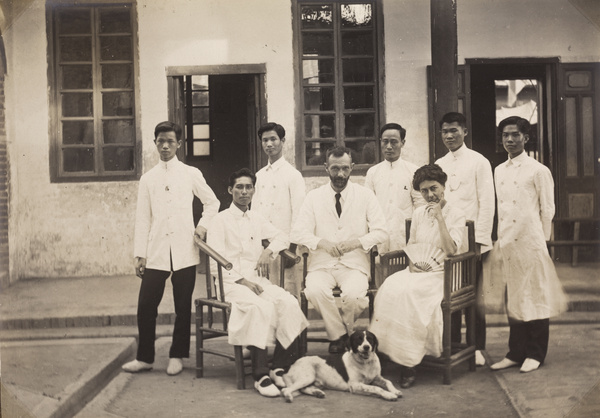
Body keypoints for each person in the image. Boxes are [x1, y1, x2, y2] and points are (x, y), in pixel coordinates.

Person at [123, 121, 220, 376]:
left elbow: (213, 202)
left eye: (170, 141)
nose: (165, 146)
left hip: (184, 251)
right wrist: (139, 253)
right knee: (145, 305)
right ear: (155, 143)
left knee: (182, 306)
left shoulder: (191, 173)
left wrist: (202, 227)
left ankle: (177, 355)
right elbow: (143, 217)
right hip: (156, 252)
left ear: (179, 144)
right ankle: (145, 357)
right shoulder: (148, 179)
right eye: (160, 141)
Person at [207, 168, 309, 397]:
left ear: (254, 190)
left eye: (248, 187)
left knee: (288, 302)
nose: (244, 192)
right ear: (230, 190)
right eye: (239, 187)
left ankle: (279, 367)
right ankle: (260, 374)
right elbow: (215, 264)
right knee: (260, 307)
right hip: (230, 284)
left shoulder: (257, 218)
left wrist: (268, 252)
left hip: (256, 280)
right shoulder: (219, 221)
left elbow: (282, 236)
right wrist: (242, 281)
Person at [369, 164, 466, 388]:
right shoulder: (418, 213)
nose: (430, 195)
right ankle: (390, 353)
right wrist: (413, 266)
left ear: (444, 186)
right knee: (390, 288)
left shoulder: (456, 213)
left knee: (410, 295)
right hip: (418, 271)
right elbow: (412, 247)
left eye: (434, 188)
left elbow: (451, 250)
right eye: (424, 191)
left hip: (444, 273)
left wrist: (441, 217)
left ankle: (408, 362)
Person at [487, 116, 567, 373]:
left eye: (515, 135)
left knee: (535, 296)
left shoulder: (538, 170)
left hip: (531, 243)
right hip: (508, 242)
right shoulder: (498, 170)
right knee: (515, 299)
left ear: (526, 137)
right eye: (505, 136)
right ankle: (515, 352)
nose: (510, 140)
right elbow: (502, 209)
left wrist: (541, 243)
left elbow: (548, 209)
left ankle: (535, 353)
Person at [290, 146, 387, 354]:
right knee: (314, 290)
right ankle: (341, 335)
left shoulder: (366, 195)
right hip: (321, 264)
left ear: (352, 167)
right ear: (326, 168)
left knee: (353, 296)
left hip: (354, 264)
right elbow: (297, 232)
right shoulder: (313, 197)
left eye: (344, 168)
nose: (340, 174)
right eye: (335, 168)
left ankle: (341, 336)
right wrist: (322, 243)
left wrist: (356, 243)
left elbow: (381, 232)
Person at [434, 112, 495, 366]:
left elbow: (487, 203)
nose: (449, 136)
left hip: (472, 242)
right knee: (449, 294)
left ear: (465, 132)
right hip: (449, 240)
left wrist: (480, 241)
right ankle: (451, 345)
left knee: (473, 297)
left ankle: (477, 347)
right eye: (445, 131)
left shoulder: (479, 162)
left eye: (454, 131)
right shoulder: (439, 164)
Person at [252, 123, 305, 294]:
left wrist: (292, 247)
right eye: (265, 140)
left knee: (287, 291)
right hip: (262, 246)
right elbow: (254, 213)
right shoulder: (259, 176)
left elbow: (299, 214)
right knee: (265, 291)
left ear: (282, 141)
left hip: (285, 246)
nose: (269, 144)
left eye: (273, 139)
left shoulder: (293, 175)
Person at [365, 123, 425, 254]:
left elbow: (420, 207)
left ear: (402, 143)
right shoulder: (373, 172)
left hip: (404, 235)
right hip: (379, 235)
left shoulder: (413, 171)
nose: (389, 147)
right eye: (385, 142)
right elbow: (367, 207)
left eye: (394, 142)